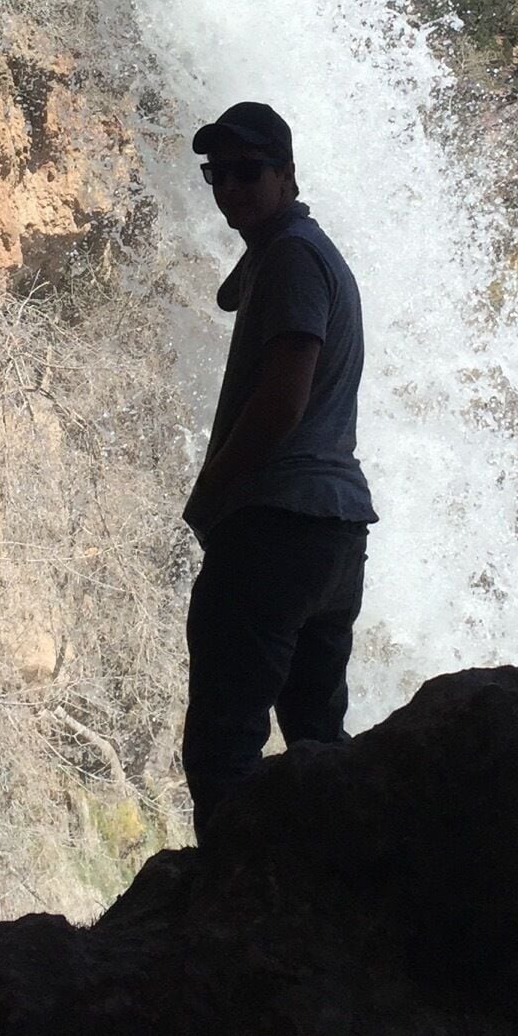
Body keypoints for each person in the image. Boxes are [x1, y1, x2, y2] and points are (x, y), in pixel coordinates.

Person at [180, 101, 375, 837]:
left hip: (276, 525)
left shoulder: (293, 258)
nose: (229, 187)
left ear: (288, 174)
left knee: (223, 748)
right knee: (316, 741)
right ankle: (341, 894)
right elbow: (232, 293)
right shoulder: (296, 252)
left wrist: (211, 494)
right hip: (336, 533)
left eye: (248, 171)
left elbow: (282, 398)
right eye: (215, 174)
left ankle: (232, 923)